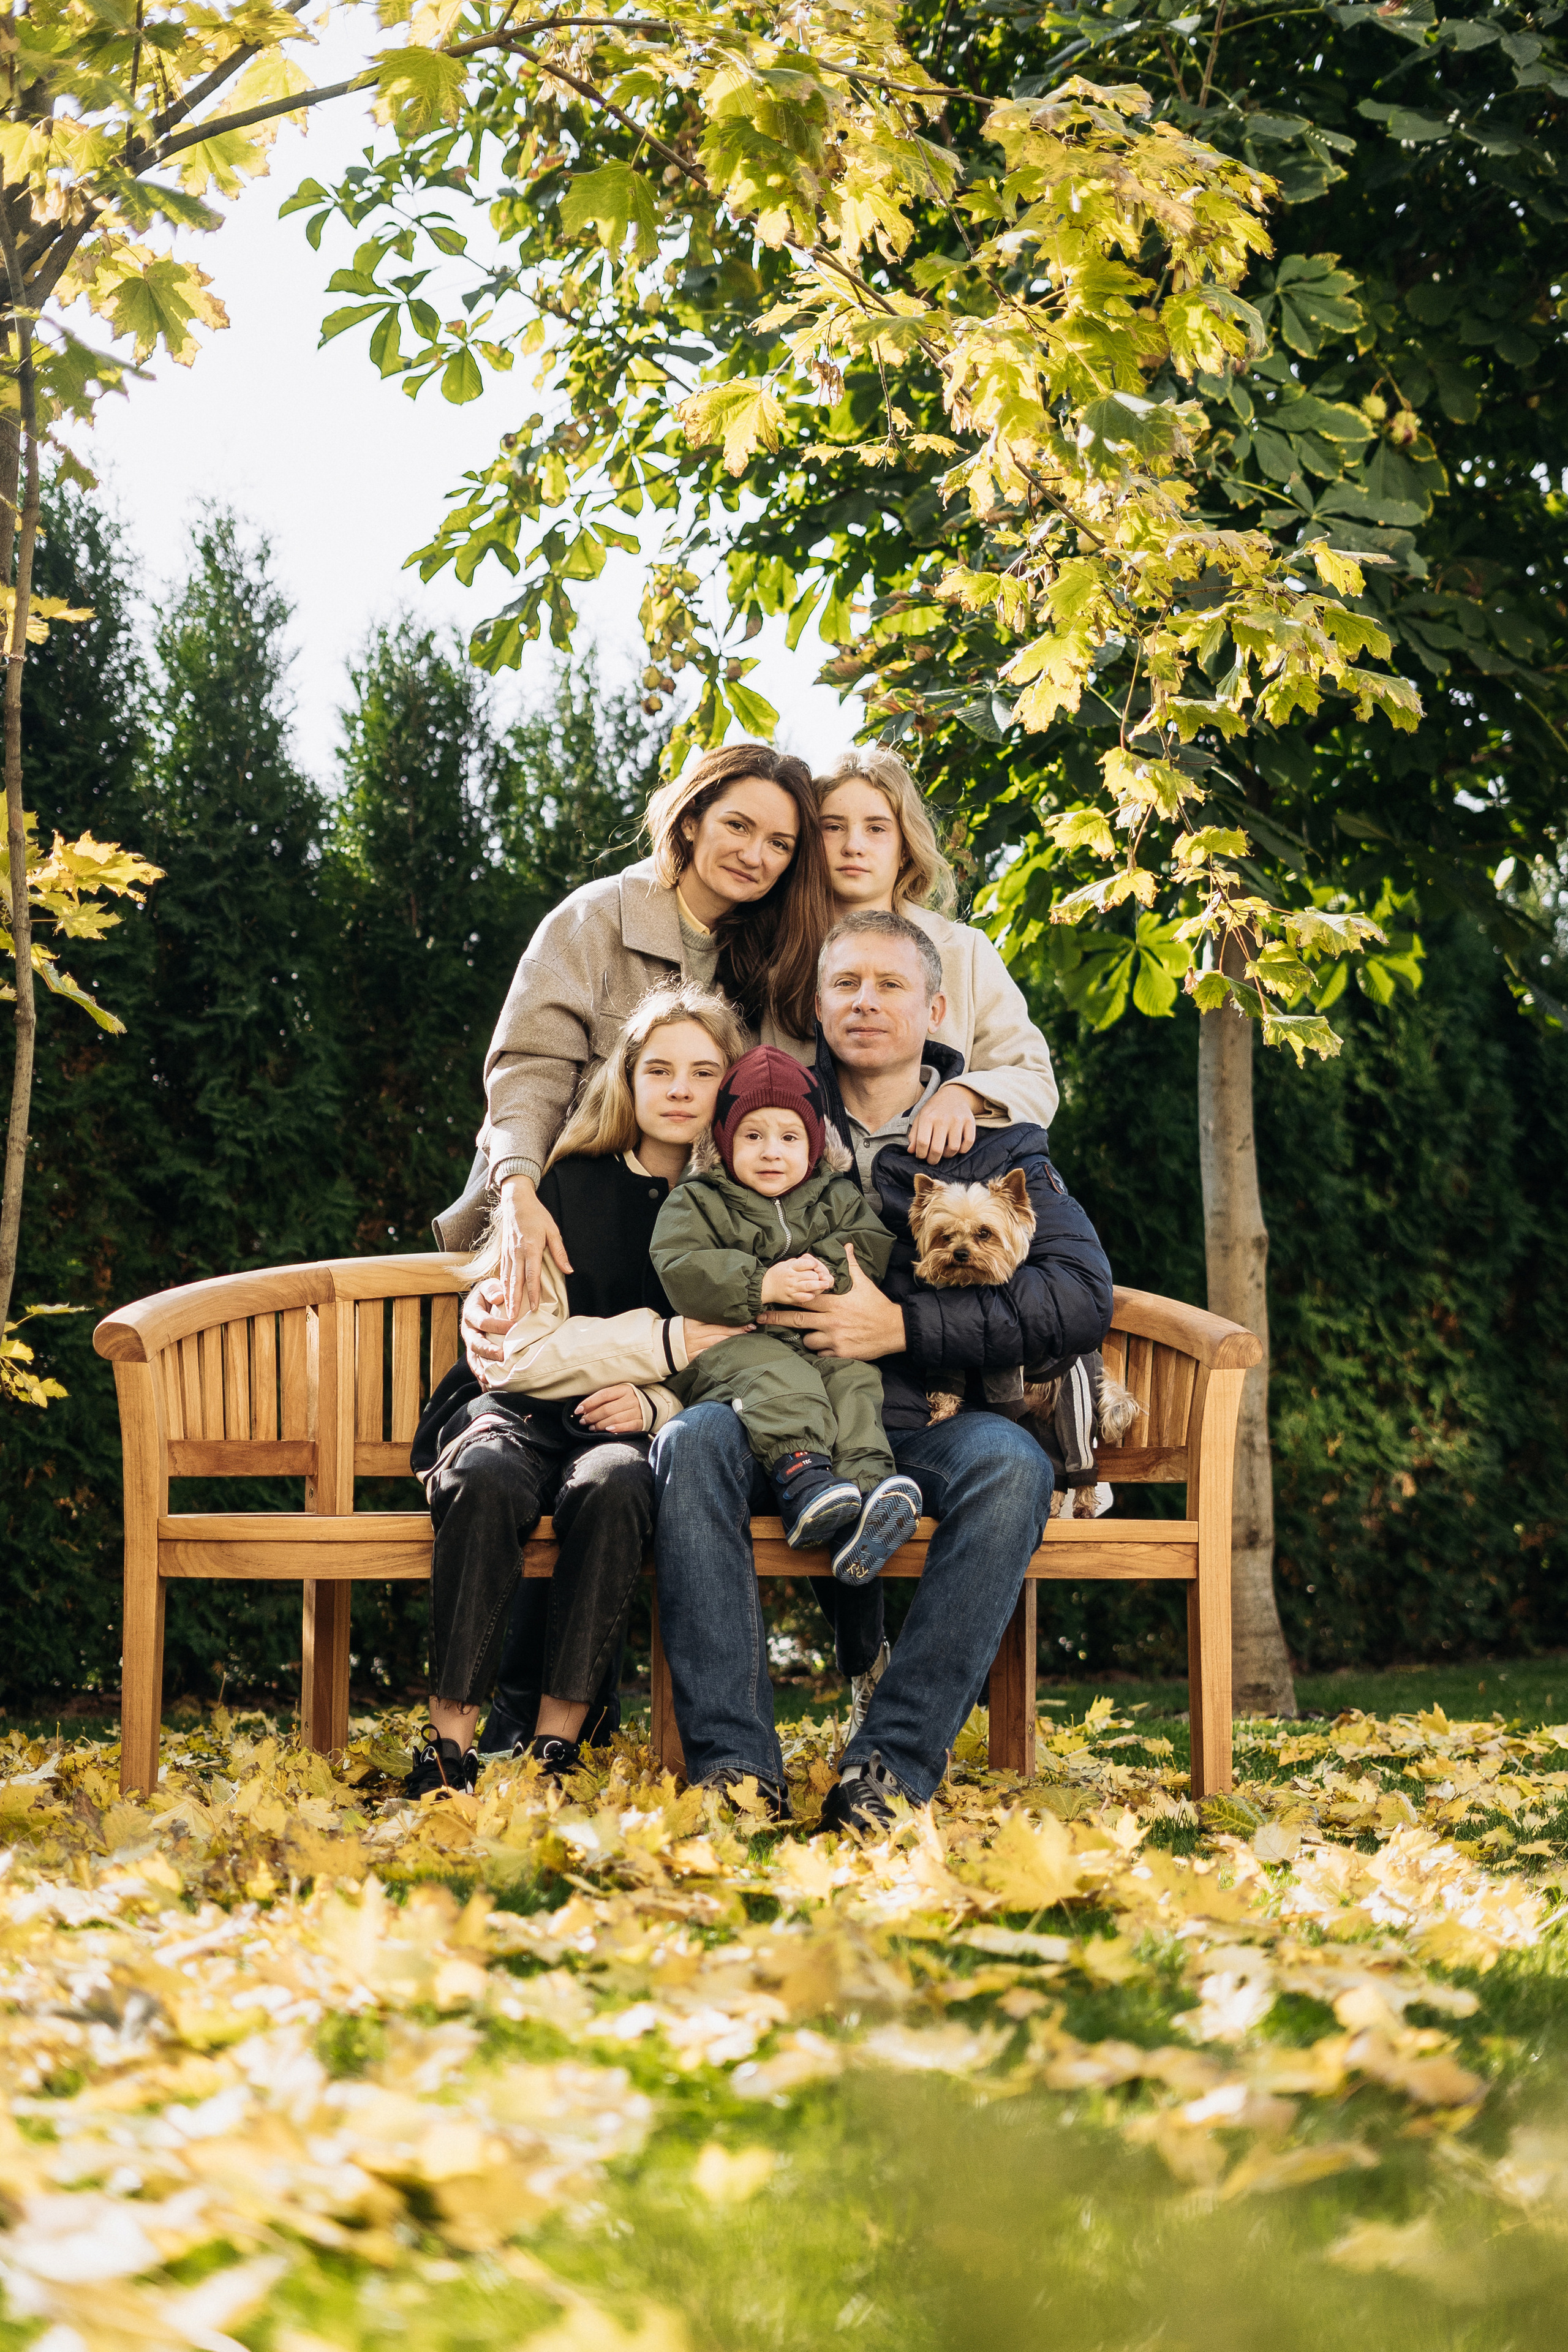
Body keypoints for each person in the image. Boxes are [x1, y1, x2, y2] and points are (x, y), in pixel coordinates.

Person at [649, 909, 1114, 1830]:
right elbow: (681, 1242)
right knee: (692, 1440)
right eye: (846, 985)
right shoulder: (762, 1114)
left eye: (890, 985)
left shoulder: (999, 1140)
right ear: (816, 1008)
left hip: (918, 1409)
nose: (866, 1002)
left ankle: (889, 1768)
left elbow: (1077, 1296)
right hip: (772, 1404)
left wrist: (902, 1327)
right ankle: (736, 1768)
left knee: (1010, 1467)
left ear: (937, 1007)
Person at [404, 983, 749, 1799]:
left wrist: (660, 1404)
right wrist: (658, 1343)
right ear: (627, 1081)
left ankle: (556, 1746)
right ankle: (448, 1748)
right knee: (482, 1479)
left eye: (702, 1073)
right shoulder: (569, 1184)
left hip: (620, 1429)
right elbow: (517, 1356)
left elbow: (741, 1354)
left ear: (727, 1088)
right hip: (515, 1415)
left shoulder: (740, 1210)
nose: (678, 1089)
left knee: (620, 1484)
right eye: (658, 1069)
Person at [650, 1044, 922, 1583]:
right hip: (734, 1343)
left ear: (814, 1144)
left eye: (789, 1137)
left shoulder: (833, 1195)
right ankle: (805, 1483)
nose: (772, 1152)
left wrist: (825, 1269)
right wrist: (765, 1282)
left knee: (855, 1379)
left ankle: (868, 1494)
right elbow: (681, 1265)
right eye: (753, 1136)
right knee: (783, 1379)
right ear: (726, 1141)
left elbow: (868, 1243)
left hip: (817, 1338)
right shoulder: (699, 1200)